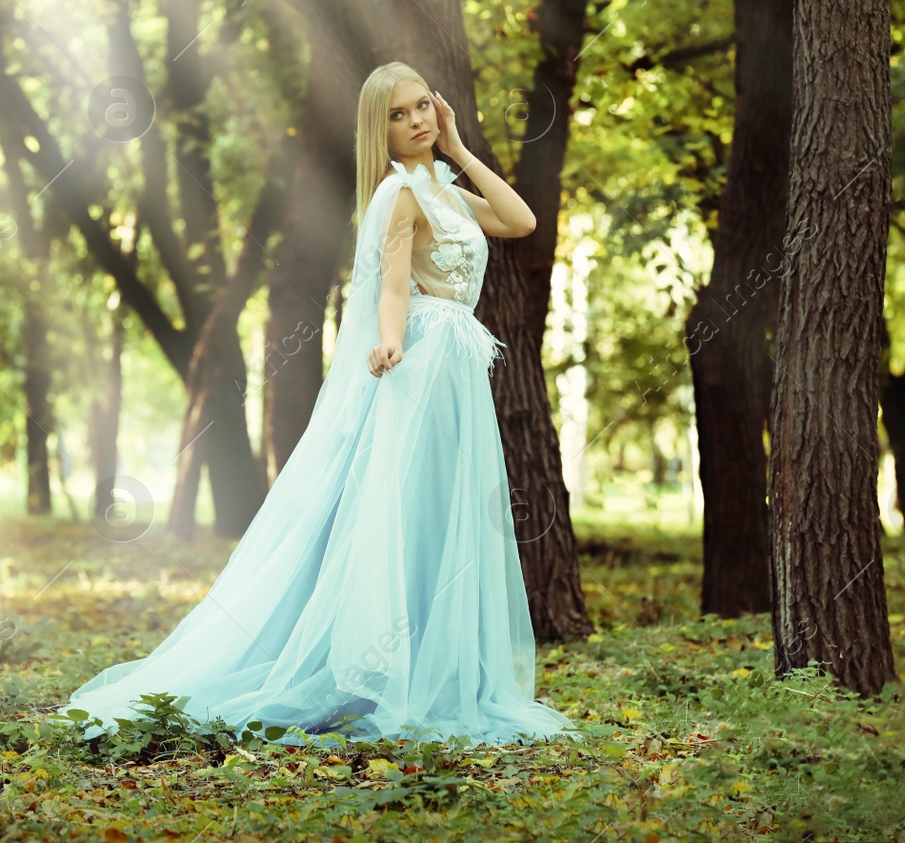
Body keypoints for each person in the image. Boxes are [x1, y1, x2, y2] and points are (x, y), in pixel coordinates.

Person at [56, 62, 578, 746]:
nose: (417, 119)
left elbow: (521, 219)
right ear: (380, 129)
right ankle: (380, 673)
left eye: (423, 106)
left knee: (443, 516)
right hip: (420, 366)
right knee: (405, 514)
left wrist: (458, 149)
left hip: (457, 375)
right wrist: (391, 342)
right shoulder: (399, 196)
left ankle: (438, 669)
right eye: (399, 114)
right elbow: (394, 286)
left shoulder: (444, 186)